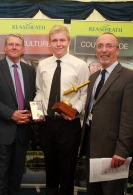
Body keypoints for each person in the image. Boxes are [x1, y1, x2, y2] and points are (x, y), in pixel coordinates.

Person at [80, 32, 133, 195]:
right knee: (93, 191)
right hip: (91, 145)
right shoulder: (94, 77)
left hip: (113, 151)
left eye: (109, 46)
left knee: (111, 191)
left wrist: (122, 151)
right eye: (100, 46)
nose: (104, 50)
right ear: (96, 51)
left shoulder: (131, 77)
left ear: (118, 50)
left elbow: (131, 118)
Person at [34, 25, 90, 195]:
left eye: (62, 40)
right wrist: (37, 111)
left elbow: (85, 94)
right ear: (49, 43)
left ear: (68, 41)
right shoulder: (43, 64)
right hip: (47, 124)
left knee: (68, 169)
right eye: (54, 40)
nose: (58, 44)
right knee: (50, 167)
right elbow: (40, 91)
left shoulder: (80, 65)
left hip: (69, 125)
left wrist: (75, 111)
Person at [0, 34, 36, 195]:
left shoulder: (30, 70)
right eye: (10, 44)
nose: (14, 47)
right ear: (4, 48)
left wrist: (31, 114)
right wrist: (11, 114)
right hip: (3, 130)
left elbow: (32, 97)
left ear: (23, 49)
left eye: (17, 44)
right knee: (0, 174)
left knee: (17, 174)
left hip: (23, 130)